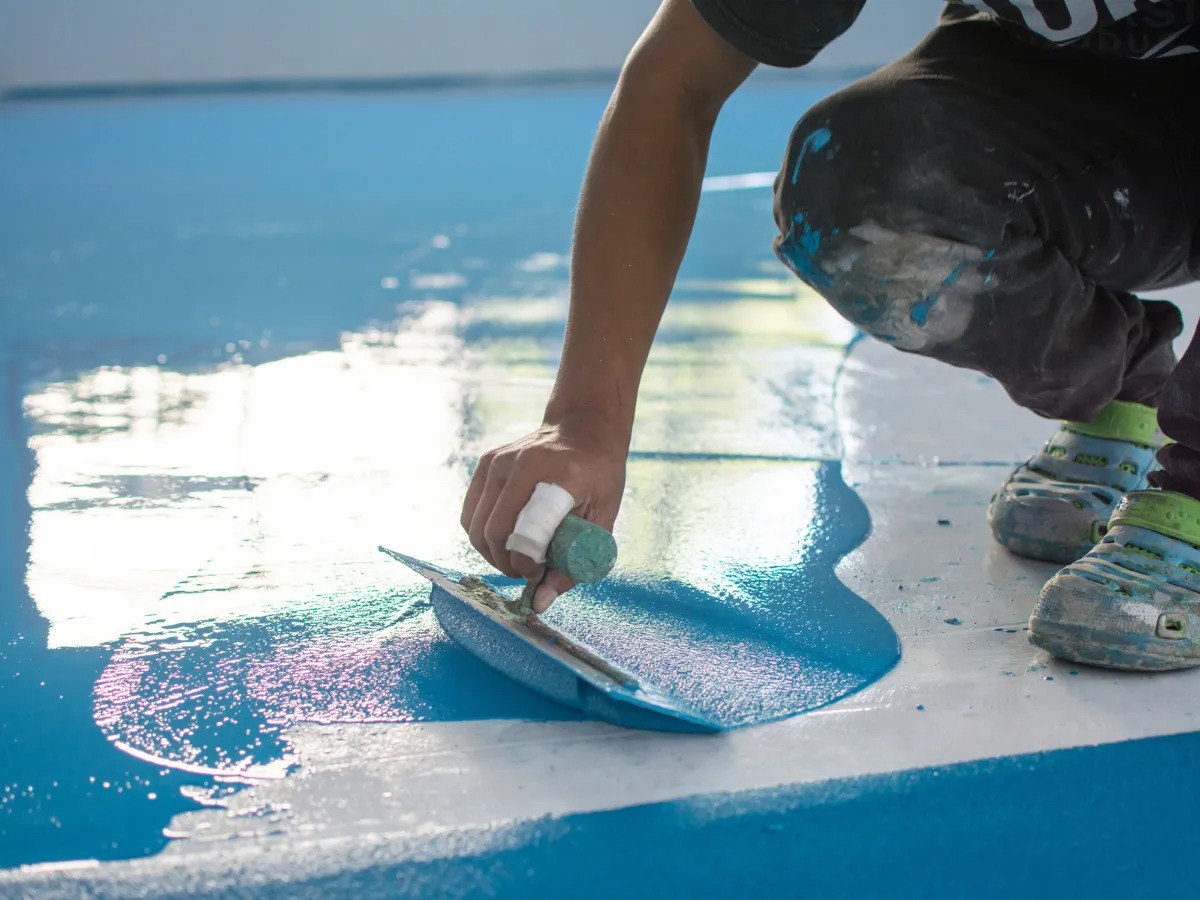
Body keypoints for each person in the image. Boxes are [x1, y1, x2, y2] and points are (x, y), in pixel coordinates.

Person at [460, 0, 1200, 671]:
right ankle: (1129, 390)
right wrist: (585, 419)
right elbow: (676, 79)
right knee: (860, 190)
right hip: (1096, 111)